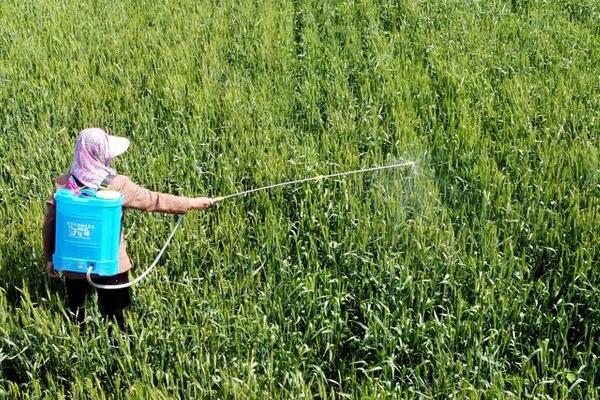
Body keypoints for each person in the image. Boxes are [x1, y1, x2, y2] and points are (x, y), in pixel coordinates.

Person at [42, 128, 214, 330]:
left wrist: (50, 258)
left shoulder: (63, 184)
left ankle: (79, 343)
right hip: (111, 265)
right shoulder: (117, 185)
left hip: (73, 265)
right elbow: (153, 200)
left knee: (76, 313)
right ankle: (119, 353)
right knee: (118, 318)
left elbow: (49, 225)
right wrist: (190, 203)